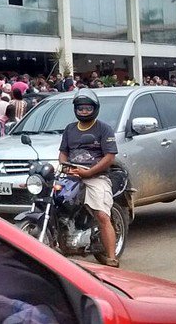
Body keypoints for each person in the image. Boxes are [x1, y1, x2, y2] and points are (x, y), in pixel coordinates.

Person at [58, 89, 119, 267]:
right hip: (72, 176)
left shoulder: (104, 129)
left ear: (95, 109)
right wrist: (65, 166)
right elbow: (63, 152)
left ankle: (112, 257)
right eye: (80, 108)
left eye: (88, 108)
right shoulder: (70, 129)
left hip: (96, 177)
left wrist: (89, 172)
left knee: (102, 215)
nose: (84, 112)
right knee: (55, 204)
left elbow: (110, 157)